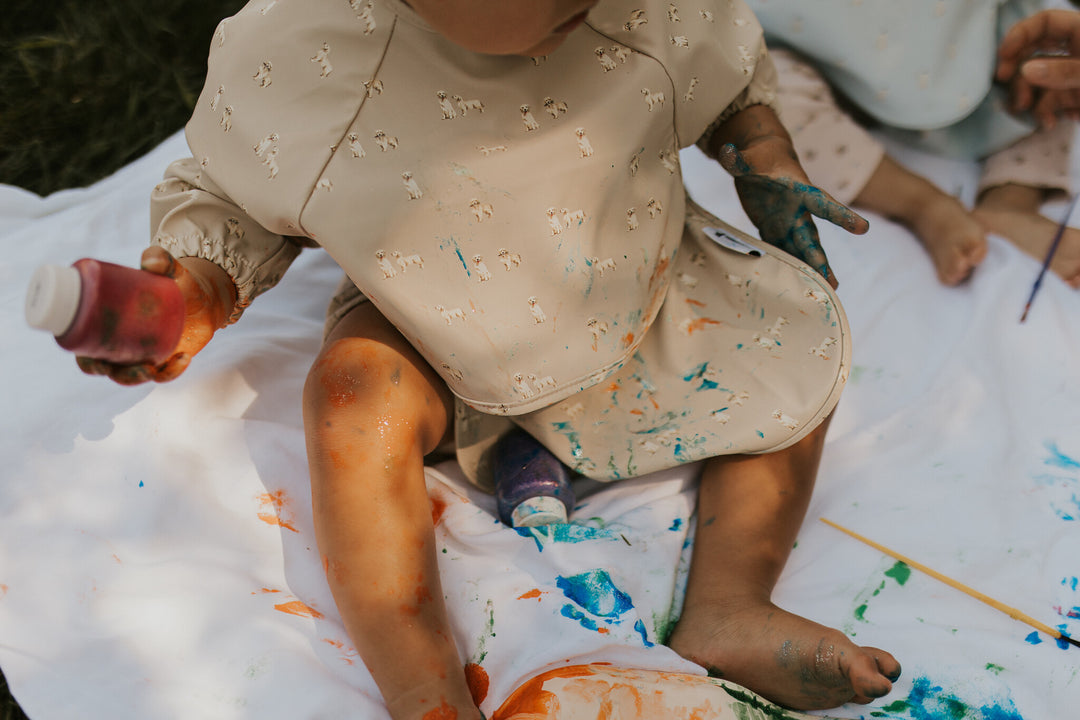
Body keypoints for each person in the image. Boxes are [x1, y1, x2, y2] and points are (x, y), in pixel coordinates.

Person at [77, 0, 901, 717]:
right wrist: (197, 292)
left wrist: (762, 154)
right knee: (353, 397)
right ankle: (426, 691)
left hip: (650, 295)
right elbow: (233, 197)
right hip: (437, 328)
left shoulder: (633, 7)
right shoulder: (308, 54)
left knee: (793, 332)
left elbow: (726, 76)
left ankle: (730, 607)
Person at [747, 0, 1080, 288]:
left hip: (989, 50)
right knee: (759, 104)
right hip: (837, 70)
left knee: (1057, 60)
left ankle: (1011, 201)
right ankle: (922, 204)